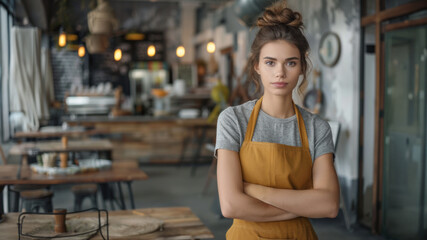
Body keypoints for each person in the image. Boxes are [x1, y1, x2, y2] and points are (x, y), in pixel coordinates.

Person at [215, 1, 340, 239]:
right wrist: (300, 206)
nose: (280, 73)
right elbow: (231, 205)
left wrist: (253, 190)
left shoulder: (317, 128)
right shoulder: (233, 120)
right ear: (257, 66)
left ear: (302, 67)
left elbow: (329, 205)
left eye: (290, 63)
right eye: (270, 62)